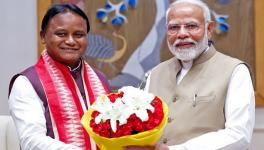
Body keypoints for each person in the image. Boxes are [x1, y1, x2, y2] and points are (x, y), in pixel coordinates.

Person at [127, 0, 255, 150]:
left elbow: (239, 135)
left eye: (191, 26)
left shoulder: (235, 71)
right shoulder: (154, 73)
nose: (182, 34)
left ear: (209, 29)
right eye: (174, 27)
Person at [8, 3, 110, 150]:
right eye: (61, 34)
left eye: (78, 35)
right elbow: (31, 141)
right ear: (43, 36)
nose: (70, 41)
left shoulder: (100, 79)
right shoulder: (26, 82)